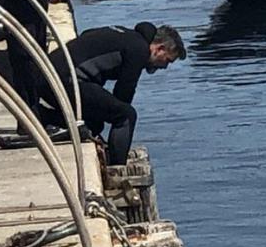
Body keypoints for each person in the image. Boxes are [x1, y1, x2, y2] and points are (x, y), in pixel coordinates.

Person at [42, 22, 185, 165]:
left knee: (94, 124)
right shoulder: (139, 50)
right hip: (65, 80)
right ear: (159, 48)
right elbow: (124, 92)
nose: (164, 67)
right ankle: (117, 166)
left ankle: (43, 116)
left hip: (48, 74)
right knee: (126, 116)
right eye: (167, 60)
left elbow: (87, 33)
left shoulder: (125, 35)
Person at [0, 0, 70, 119]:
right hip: (22, 4)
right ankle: (31, 114)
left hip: (29, 6)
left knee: (32, 57)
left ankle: (32, 112)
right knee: (26, 59)